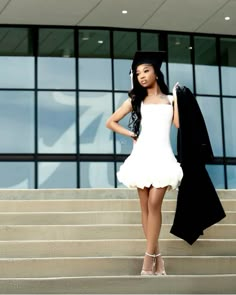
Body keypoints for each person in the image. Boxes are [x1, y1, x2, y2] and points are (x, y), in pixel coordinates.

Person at [106, 51, 183, 276]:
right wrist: (130, 133)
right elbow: (110, 122)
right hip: (142, 156)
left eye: (146, 71)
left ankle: (148, 258)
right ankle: (157, 258)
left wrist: (178, 98)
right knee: (145, 207)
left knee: (154, 204)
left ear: (156, 73)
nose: (141, 76)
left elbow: (178, 124)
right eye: (138, 73)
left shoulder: (171, 100)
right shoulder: (135, 100)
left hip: (163, 157)